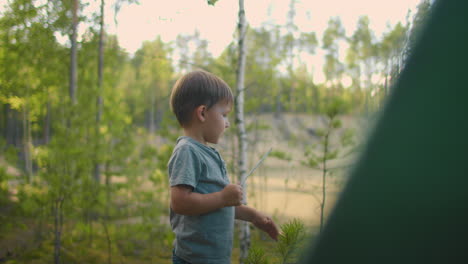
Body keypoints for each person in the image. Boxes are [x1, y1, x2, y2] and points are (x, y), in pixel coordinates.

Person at [168, 70, 279, 264]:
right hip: (194, 259)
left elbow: (217, 205)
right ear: (202, 113)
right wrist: (222, 196)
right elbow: (180, 202)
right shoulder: (187, 151)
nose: (227, 124)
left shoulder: (209, 153)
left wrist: (253, 216)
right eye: (224, 115)